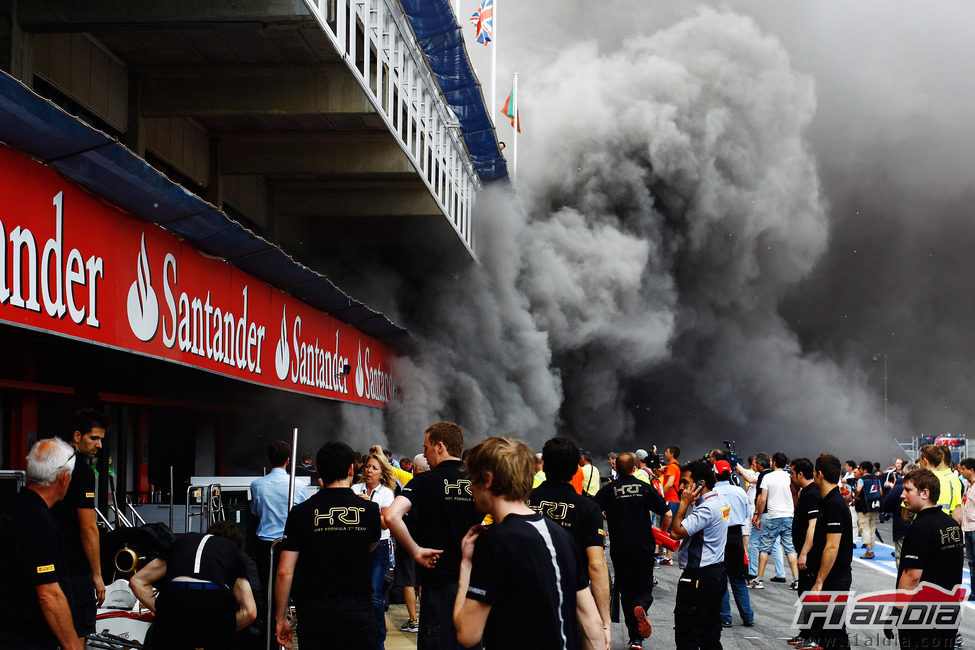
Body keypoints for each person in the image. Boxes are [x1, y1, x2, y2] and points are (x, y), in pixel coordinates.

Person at [453, 436, 606, 650]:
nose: (470, 486)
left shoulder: (495, 542)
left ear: (487, 479)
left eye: (472, 478)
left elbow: (467, 634)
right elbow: (592, 625)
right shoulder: (561, 536)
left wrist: (466, 565)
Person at [273, 441, 381, 649]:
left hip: (315, 612)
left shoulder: (300, 513)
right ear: (351, 469)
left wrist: (280, 618)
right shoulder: (369, 510)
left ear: (319, 471)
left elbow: (284, 571)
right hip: (358, 611)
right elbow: (370, 546)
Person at [385, 422, 482, 650]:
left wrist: (415, 551)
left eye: (426, 447)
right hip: (476, 587)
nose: (425, 454)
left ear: (440, 446)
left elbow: (391, 516)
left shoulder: (424, 481)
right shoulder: (480, 481)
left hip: (438, 586)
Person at [0, 438, 83, 650]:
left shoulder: (12, 508)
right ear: (64, 478)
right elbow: (48, 594)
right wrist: (73, 645)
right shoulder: (37, 522)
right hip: (25, 639)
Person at [130, 521, 258, 649]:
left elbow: (137, 581)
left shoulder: (182, 542)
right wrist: (220, 630)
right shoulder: (232, 551)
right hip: (214, 599)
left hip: (174, 597)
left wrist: (164, 613)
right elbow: (250, 612)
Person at [529, 437, 611, 635]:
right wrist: (605, 622)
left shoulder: (523, 500)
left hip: (524, 600)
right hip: (569, 604)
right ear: (576, 470)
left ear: (544, 466)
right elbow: (597, 566)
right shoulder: (588, 509)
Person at [595, 451, 669, 649]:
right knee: (644, 589)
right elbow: (666, 512)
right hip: (644, 547)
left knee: (626, 592)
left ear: (616, 469)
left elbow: (592, 510)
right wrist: (661, 537)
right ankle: (643, 606)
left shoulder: (609, 490)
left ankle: (635, 639)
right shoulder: (645, 488)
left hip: (620, 550)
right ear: (634, 468)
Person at [51, 408, 108, 643]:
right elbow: (88, 528)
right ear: (77, 436)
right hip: (74, 568)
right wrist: (97, 575)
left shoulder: (49, 462)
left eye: (102, 439)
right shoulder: (82, 470)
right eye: (93, 438)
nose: (99, 445)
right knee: (77, 635)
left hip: (47, 560)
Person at [897, 468, 964, 649]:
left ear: (925, 493)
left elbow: (912, 576)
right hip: (950, 610)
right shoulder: (952, 524)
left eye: (908, 490)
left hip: (922, 615)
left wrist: (896, 613)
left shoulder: (920, 526)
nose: (902, 495)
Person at [669, 460, 729, 650]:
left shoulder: (706, 508)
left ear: (701, 483)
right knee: (710, 634)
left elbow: (676, 532)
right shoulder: (720, 501)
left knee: (688, 633)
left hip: (698, 578)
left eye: (686, 483)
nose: (681, 487)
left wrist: (684, 503)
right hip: (716, 573)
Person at [803, 454, 853, 650]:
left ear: (819, 474)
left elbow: (832, 546)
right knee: (827, 632)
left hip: (834, 579)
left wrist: (819, 582)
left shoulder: (834, 504)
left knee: (834, 632)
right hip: (831, 577)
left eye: (814, 472)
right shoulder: (828, 501)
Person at [250, 441, 308, 597]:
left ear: (268, 459)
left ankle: (268, 618)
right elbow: (304, 514)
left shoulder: (257, 485)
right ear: (288, 460)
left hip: (265, 543)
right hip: (291, 543)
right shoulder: (299, 485)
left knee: (267, 585)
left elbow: (255, 511)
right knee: (291, 586)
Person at [352, 452, 397, 649]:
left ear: (382, 474)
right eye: (367, 466)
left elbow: (386, 524)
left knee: (375, 595)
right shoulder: (354, 488)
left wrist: (369, 507)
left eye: (374, 468)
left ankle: (379, 640)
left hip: (379, 546)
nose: (369, 471)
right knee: (358, 592)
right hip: (358, 546)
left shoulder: (386, 493)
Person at [711, 460, 753, 628]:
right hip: (736, 537)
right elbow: (744, 515)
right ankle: (748, 615)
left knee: (720, 579)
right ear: (730, 473)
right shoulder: (739, 491)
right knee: (738, 579)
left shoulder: (713, 492)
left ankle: (725, 616)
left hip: (718, 537)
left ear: (714, 474)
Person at [750, 451, 799, 589]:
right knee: (790, 548)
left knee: (764, 549)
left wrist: (758, 516)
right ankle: (796, 579)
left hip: (773, 516)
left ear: (775, 463)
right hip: (789, 516)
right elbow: (795, 494)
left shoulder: (768, 477)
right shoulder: (790, 477)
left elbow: (762, 499)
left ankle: (759, 579)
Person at [788, 457, 820, 648]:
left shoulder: (812, 494)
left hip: (809, 555)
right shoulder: (804, 493)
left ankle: (813, 635)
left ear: (800, 474)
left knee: (809, 594)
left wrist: (805, 553)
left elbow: (813, 525)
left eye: (792, 473)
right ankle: (805, 632)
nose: (791, 476)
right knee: (803, 593)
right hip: (803, 551)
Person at [396, 453, 428, 633]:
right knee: (423, 580)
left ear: (414, 468)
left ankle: (414, 620)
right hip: (426, 541)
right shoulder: (433, 485)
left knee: (409, 581)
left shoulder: (411, 484)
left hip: (408, 540)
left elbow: (396, 515)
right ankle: (425, 617)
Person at [882, 461, 917, 566]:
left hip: (901, 527)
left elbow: (886, 506)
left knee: (902, 557)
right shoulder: (923, 488)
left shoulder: (898, 488)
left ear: (903, 472)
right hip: (919, 528)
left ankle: (903, 580)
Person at [853, 460, 883, 559]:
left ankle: (868, 551)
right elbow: (881, 493)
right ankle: (871, 550)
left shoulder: (862, 479)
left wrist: (856, 496)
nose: (859, 470)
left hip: (864, 507)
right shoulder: (876, 478)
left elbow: (859, 489)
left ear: (864, 469)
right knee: (872, 527)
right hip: (875, 506)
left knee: (864, 527)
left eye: (860, 468)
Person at [659, 444, 681, 565]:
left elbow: (669, 483)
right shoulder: (674, 466)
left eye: (667, 452)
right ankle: (668, 555)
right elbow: (663, 469)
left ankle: (668, 556)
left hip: (670, 500)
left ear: (671, 454)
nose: (665, 453)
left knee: (667, 527)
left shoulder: (672, 467)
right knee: (670, 528)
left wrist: (660, 494)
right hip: (674, 500)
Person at [959, 458, 975, 601]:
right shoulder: (967, 485)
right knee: (971, 562)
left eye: (963, 469)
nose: (961, 471)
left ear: (971, 470)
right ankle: (974, 591)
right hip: (968, 528)